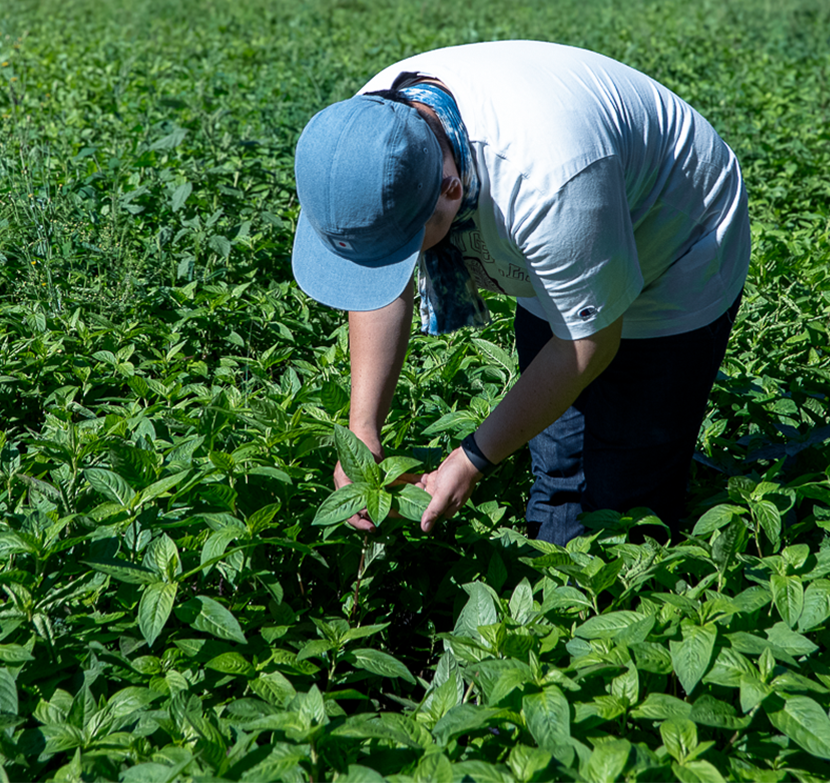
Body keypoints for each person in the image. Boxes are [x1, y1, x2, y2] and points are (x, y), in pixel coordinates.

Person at [291, 40, 749, 543]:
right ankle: (553, 598)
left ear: (450, 191)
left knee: (628, 491)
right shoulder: (366, 138)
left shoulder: (548, 181)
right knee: (557, 465)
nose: (397, 265)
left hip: (677, 241)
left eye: (403, 247)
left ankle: (621, 606)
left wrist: (472, 458)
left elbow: (587, 344)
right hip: (567, 235)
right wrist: (363, 429)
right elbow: (376, 281)